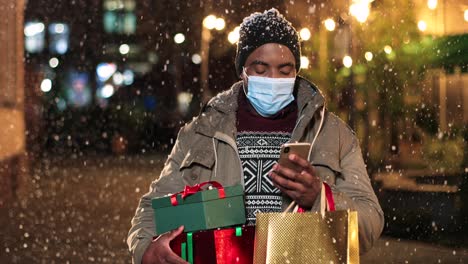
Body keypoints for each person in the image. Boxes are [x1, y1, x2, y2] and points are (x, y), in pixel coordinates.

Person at [128, 8, 384, 264]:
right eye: (261, 69)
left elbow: (370, 223)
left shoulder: (333, 134)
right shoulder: (202, 131)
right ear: (243, 70)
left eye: (285, 71)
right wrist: (145, 251)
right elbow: (152, 210)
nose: (274, 79)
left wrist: (320, 197)